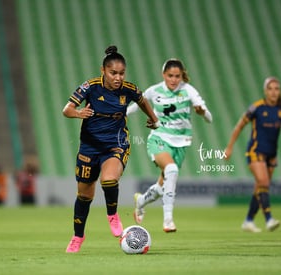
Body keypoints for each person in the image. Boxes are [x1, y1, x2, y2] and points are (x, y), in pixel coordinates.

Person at [63, 45, 159, 253]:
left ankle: (112, 215)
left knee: (108, 179)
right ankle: (78, 236)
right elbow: (67, 110)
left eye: (121, 73)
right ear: (103, 71)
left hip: (116, 144)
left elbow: (142, 100)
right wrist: (79, 113)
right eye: (113, 73)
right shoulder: (91, 86)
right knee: (84, 196)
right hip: (89, 147)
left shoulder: (128, 89)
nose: (118, 77)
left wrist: (153, 119)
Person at [127, 58, 212, 232]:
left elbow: (209, 118)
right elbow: (135, 106)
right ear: (163, 75)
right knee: (172, 170)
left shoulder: (188, 91)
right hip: (159, 138)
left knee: (161, 187)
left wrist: (202, 112)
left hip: (181, 143)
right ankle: (168, 220)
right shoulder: (155, 91)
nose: (173, 80)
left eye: (177, 76)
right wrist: (118, 115)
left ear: (182, 76)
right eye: (170, 76)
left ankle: (141, 201)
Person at [225, 76, 281, 232]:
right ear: (265, 91)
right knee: (264, 183)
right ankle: (269, 219)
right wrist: (229, 147)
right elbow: (239, 126)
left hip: (271, 154)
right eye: (270, 89)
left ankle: (248, 220)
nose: (274, 92)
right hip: (255, 151)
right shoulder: (256, 107)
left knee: (260, 187)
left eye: (277, 89)